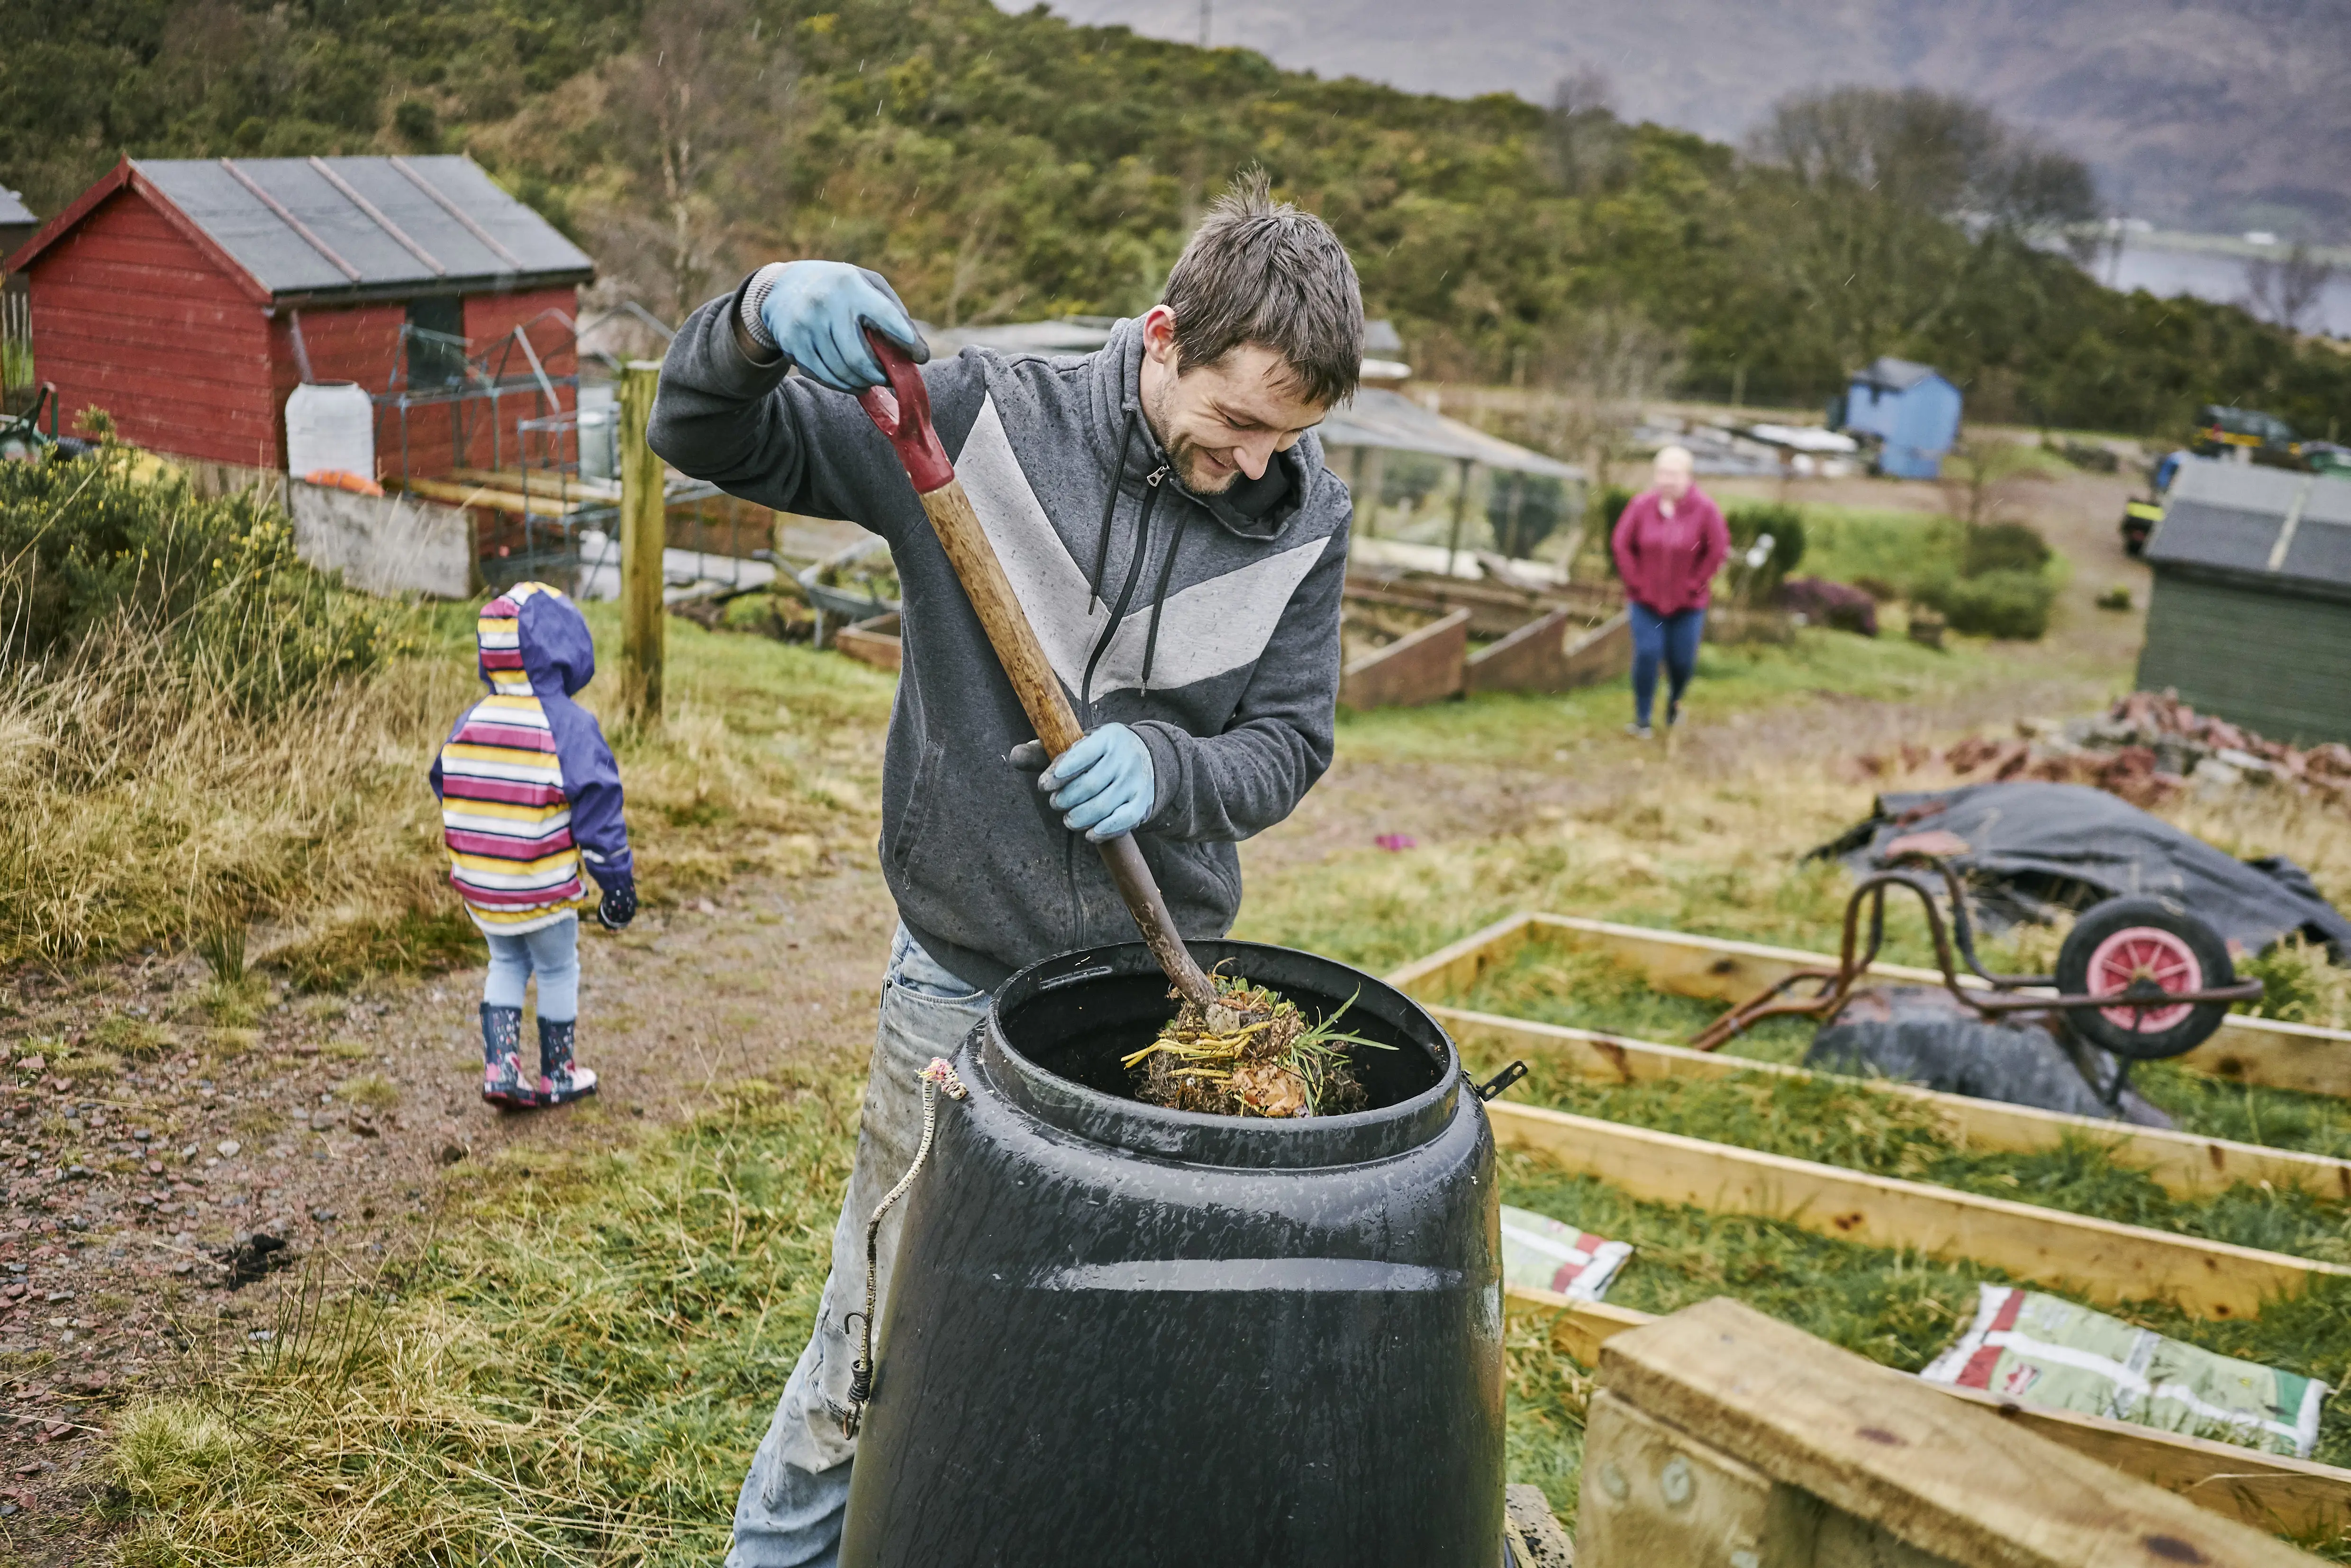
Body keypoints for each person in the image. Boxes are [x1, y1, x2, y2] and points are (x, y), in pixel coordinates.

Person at [648, 172, 1364, 1568]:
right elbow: (702, 430)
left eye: (1288, 439)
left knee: (1105, 1330)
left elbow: (1289, 743)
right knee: (884, 1329)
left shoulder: (1306, 522)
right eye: (1236, 424)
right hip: (960, 979)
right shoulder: (977, 423)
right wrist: (754, 316)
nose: (1255, 467)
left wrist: (1168, 768)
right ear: (1164, 336)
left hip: (1155, 1009)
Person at [429, 582, 636, 1108]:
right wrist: (616, 885)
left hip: (483, 887)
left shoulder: (471, 720)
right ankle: (558, 1073)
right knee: (557, 967)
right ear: (567, 644)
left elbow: (443, 780)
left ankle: (501, 1068)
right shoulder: (568, 725)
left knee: (505, 963)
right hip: (541, 886)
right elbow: (599, 813)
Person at [1609, 444, 1729, 739]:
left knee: (1682, 661)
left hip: (1688, 604)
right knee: (1648, 653)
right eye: (1662, 473)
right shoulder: (1641, 506)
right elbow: (1621, 543)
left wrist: (1696, 584)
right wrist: (1635, 581)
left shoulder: (1705, 510)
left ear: (1687, 477)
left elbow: (1718, 549)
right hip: (1645, 600)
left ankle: (1675, 702)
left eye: (1673, 474)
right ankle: (1643, 718)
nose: (1666, 480)